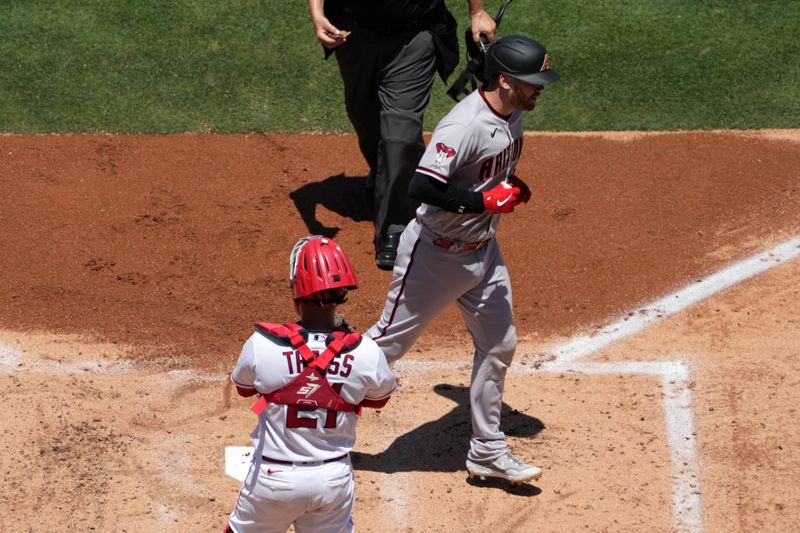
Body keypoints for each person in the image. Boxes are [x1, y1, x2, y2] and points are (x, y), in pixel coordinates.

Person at [366, 35, 560, 484]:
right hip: (434, 255)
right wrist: (483, 200)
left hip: (483, 254)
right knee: (386, 347)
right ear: (506, 81)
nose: (540, 89)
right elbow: (423, 187)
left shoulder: (512, 114)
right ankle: (303, 411)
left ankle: (487, 451)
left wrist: (512, 186)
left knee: (498, 344)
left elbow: (489, 173)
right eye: (533, 82)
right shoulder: (463, 125)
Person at [307, 0, 497, 271]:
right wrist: (317, 14)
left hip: (414, 36)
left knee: (400, 136)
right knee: (363, 116)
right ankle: (384, 173)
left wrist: (477, 12)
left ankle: (396, 225)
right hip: (354, 35)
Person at [224, 236, 396, 533]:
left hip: (272, 479)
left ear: (296, 293)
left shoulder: (262, 345)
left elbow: (244, 388)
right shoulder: (366, 352)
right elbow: (379, 399)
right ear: (342, 292)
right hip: (333, 480)